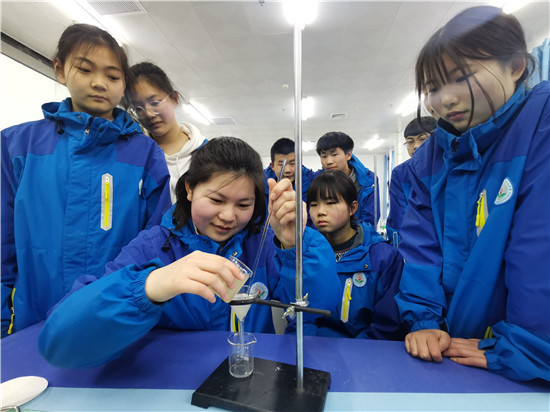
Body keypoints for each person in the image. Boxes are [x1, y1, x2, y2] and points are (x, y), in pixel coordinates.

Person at [38, 137, 341, 369]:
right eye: (216, 200)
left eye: (243, 204)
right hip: (169, 386)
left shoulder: (263, 244)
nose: (228, 216)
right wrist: (148, 287)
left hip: (249, 380)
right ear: (189, 189)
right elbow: (60, 344)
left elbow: (320, 306)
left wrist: (296, 245)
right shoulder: (153, 247)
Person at [395, 6, 550, 382]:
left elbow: (538, 246)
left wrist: (526, 346)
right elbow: (421, 247)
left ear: (516, 66)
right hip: (457, 350)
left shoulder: (540, 123)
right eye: (433, 89)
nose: (445, 100)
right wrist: (424, 320)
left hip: (527, 357)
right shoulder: (429, 158)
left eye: (462, 78)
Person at [0, 24, 171, 338]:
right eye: (85, 69)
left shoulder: (145, 154)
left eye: (112, 76)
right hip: (33, 318)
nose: (99, 83)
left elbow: (157, 240)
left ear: (124, 85)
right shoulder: (17, 145)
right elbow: (3, 238)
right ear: (60, 69)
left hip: (115, 317)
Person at [307, 171, 405, 340]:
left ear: (352, 208)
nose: (320, 211)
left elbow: (387, 326)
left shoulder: (383, 258)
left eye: (330, 203)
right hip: (314, 347)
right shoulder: (307, 255)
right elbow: (300, 317)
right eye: (314, 204)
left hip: (365, 351)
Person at [124, 62, 208, 204]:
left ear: (174, 99)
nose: (148, 114)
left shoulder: (208, 153)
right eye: (138, 108)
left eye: (155, 102)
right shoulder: (134, 156)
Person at [386, 116, 436, 245]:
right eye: (410, 141)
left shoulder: (449, 168)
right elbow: (398, 218)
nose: (416, 146)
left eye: (422, 139)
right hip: (413, 244)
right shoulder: (400, 173)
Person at [316, 132, 379, 226]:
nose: (329, 161)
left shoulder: (369, 181)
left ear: (348, 155)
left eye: (334, 154)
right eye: (324, 156)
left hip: (359, 233)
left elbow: (369, 219)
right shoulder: (316, 181)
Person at [264, 137, 319, 204]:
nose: (287, 170)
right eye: (281, 165)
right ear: (272, 166)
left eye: (292, 163)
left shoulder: (312, 181)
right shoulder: (259, 185)